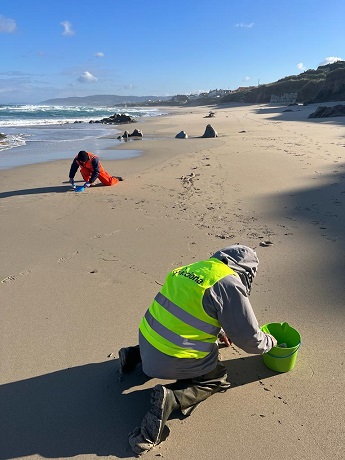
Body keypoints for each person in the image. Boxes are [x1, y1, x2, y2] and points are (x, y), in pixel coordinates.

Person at [118, 244, 277, 455]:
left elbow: (187, 312)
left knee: (168, 334)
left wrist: (219, 331)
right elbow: (250, 340)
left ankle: (131, 355)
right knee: (216, 377)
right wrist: (271, 342)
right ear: (246, 271)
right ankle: (172, 399)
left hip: (147, 342)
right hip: (170, 360)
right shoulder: (229, 283)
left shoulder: (190, 269)